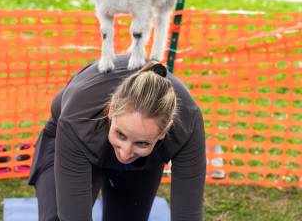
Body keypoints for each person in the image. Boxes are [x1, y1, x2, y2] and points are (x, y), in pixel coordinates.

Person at [28, 54, 206, 221]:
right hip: (77, 140)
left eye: (142, 142)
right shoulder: (77, 119)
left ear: (164, 131)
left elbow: (188, 214)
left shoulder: (187, 125)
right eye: (121, 134)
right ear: (112, 108)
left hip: (142, 164)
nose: (125, 154)